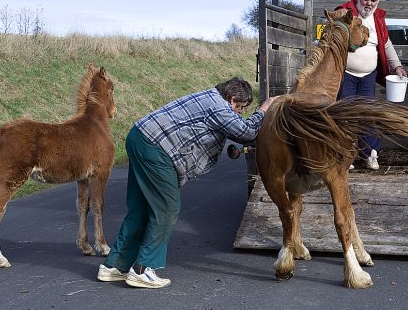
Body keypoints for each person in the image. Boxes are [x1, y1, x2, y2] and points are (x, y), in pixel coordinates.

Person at [96, 77, 278, 288]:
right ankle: (143, 269)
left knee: (141, 209)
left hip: (139, 137)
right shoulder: (218, 107)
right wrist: (264, 110)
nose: (239, 113)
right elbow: (246, 132)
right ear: (232, 98)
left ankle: (114, 266)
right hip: (156, 149)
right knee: (167, 208)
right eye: (240, 108)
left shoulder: (208, 97)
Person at [335, 0, 407, 170]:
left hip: (368, 76)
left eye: (373, 0)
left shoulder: (378, 19)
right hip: (346, 74)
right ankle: (345, 155)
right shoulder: (345, 13)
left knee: (368, 114)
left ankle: (370, 155)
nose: (369, 3)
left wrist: (397, 66)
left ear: (378, 1)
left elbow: (386, 44)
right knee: (344, 114)